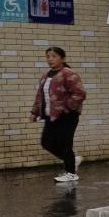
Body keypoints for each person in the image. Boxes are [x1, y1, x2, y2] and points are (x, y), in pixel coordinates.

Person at [29, 46, 86, 182]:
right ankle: (72, 161)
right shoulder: (46, 76)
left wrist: (67, 107)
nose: (50, 59)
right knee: (46, 142)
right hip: (51, 116)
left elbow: (80, 93)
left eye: (54, 56)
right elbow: (39, 96)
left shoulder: (69, 74)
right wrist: (34, 112)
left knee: (65, 143)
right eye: (48, 56)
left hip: (67, 115)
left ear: (62, 58)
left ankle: (71, 173)